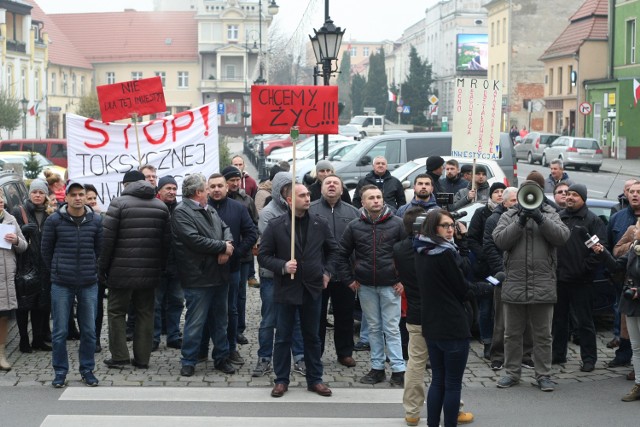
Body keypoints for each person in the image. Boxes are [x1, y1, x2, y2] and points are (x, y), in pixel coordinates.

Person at [258, 183, 338, 398]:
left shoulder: (319, 223)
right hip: (286, 289)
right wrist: (283, 266)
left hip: (312, 288)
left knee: (312, 337)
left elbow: (334, 251)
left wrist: (327, 272)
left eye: (308, 194)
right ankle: (281, 380)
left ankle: (315, 379)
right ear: (290, 200)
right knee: (283, 336)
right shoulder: (276, 226)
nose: (307, 198)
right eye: (302, 195)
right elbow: (263, 256)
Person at [493, 179, 570, 392]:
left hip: (542, 283)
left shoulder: (551, 213)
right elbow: (499, 240)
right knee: (512, 334)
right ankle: (511, 373)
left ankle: (543, 374)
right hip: (515, 283)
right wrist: (519, 222)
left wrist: (540, 218)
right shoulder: (509, 215)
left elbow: (562, 236)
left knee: (543, 335)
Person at [337, 185, 406, 386]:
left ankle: (398, 370)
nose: (376, 200)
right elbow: (341, 254)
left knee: (392, 328)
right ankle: (377, 368)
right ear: (363, 202)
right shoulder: (354, 226)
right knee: (374, 328)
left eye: (379, 197)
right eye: (371, 198)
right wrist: (349, 279)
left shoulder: (398, 224)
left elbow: (409, 254)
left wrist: (403, 280)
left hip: (391, 285)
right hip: (365, 285)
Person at [101, 170, 170, 370]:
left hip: (120, 271)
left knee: (116, 312)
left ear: (126, 185)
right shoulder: (161, 206)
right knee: (146, 313)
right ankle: (142, 359)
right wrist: (160, 266)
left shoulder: (118, 204)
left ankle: (120, 356)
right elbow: (166, 242)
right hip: (150, 271)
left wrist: (102, 268)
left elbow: (107, 241)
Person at [171, 173, 235, 377]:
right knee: (195, 321)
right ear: (199, 192)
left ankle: (221, 358)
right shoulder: (182, 212)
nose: (210, 191)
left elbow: (225, 228)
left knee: (220, 320)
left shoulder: (209, 209)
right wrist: (222, 247)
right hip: (198, 277)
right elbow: (194, 240)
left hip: (219, 274)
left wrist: (228, 246)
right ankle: (189, 360)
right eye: (206, 188)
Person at [414, 209, 473, 427]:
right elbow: (463, 289)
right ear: (433, 228)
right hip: (452, 324)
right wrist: (491, 284)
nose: (451, 230)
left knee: (438, 380)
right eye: (445, 226)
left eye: (452, 225)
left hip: (431, 322)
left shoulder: (420, 249)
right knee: (452, 383)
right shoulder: (445, 253)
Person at [41, 182, 103, 388]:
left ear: (86, 197)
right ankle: (60, 371)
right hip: (62, 283)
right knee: (59, 332)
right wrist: (57, 270)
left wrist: (92, 268)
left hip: (88, 282)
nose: (78, 198)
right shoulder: (54, 221)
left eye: (81, 194)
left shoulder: (95, 220)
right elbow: (46, 251)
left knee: (89, 331)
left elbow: (99, 250)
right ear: (65, 197)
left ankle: (87, 369)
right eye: (73, 194)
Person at [253, 171, 306, 378]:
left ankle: (299, 357)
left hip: (294, 274)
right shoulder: (268, 213)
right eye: (286, 190)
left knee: (297, 319)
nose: (289, 193)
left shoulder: (299, 211)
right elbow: (273, 246)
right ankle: (264, 357)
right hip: (272, 274)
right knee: (269, 318)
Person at [551, 184, 607, 372]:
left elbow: (600, 250)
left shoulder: (592, 220)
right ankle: (558, 354)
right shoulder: (560, 217)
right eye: (568, 194)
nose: (570, 197)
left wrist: (584, 269)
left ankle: (589, 358)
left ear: (583, 198)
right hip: (560, 279)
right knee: (559, 321)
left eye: (575, 195)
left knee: (584, 322)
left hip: (582, 281)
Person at [206, 173, 258, 365]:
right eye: (213, 186)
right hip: (205, 268)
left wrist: (235, 252)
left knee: (231, 309)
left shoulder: (238, 208)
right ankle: (203, 348)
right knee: (205, 308)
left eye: (220, 185)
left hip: (232, 267)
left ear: (227, 187)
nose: (217, 189)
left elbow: (252, 232)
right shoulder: (202, 208)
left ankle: (231, 348)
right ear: (207, 188)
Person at [309, 174, 359, 367]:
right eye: (327, 183)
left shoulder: (352, 212)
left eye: (335, 183)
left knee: (345, 316)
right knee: (317, 317)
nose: (331, 185)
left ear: (341, 189)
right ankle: (316, 353)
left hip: (345, 274)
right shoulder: (311, 209)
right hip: (318, 274)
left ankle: (345, 352)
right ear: (321, 188)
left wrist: (356, 268)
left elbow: (358, 242)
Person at [483, 187, 535, 371]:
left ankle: (526, 355)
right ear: (504, 203)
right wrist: (503, 271)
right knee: (502, 320)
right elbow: (490, 247)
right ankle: (497, 355)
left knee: (528, 319)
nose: (516, 204)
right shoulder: (494, 220)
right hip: (504, 276)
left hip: (525, 276)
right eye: (512, 201)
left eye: (517, 200)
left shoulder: (529, 218)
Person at [12, 179, 53, 353]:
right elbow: (8, 235)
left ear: (45, 196)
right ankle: (23, 340)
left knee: (40, 304)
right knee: (24, 304)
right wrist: (22, 229)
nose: (37, 195)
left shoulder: (49, 214)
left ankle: (37, 339)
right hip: (25, 264)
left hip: (44, 265)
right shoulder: (18, 211)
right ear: (29, 194)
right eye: (34, 192)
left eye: (41, 192)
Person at [467, 182, 506, 359]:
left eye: (502, 191)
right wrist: (485, 254)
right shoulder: (481, 213)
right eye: (496, 192)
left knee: (502, 309)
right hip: (484, 269)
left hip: (503, 267)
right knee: (485, 307)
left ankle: (502, 343)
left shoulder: (511, 213)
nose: (499, 194)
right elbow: (472, 239)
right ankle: (487, 342)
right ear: (490, 195)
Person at [220, 165, 259, 343]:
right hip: (221, 255)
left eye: (237, 180)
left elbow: (254, 226)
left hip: (242, 256)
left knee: (240, 295)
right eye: (232, 181)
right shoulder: (218, 200)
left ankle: (238, 329)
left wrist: (243, 248)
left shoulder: (246, 200)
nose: (236, 183)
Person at [607, 181, 640, 369]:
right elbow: (613, 247)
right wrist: (634, 244)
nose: (634, 195)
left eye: (638, 192)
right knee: (625, 322)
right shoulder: (618, 218)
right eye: (632, 192)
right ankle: (624, 355)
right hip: (624, 280)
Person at [152, 176, 184, 352]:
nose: (171, 192)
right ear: (159, 191)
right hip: (157, 265)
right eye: (168, 188)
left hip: (178, 265)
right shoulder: (152, 208)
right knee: (155, 304)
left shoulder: (181, 209)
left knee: (176, 302)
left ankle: (173, 336)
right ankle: (154, 338)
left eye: (174, 188)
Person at [0, 189, 28, 371]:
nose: (1, 201)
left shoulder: (10, 219)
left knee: (3, 318)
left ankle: (1, 354)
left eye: (1, 198)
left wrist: (16, 240)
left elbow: (24, 246)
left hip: (5, 279)